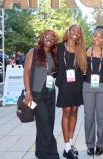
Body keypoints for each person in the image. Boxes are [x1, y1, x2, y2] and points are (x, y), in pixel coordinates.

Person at [24, 29, 60, 159]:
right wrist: (28, 93)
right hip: (36, 93)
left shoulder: (54, 53)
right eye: (47, 36)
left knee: (48, 123)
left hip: (50, 93)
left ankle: (40, 153)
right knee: (44, 123)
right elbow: (26, 73)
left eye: (53, 37)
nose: (49, 38)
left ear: (55, 41)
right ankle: (52, 155)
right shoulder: (33, 52)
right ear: (42, 37)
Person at [56, 24, 87, 159]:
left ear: (80, 35)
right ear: (68, 31)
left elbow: (83, 69)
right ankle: (66, 146)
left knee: (74, 110)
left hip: (77, 83)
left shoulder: (81, 49)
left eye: (78, 32)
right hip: (64, 84)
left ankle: (70, 143)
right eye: (73, 30)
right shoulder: (58, 47)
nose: (76, 33)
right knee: (67, 111)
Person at [83, 26, 103, 156]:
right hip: (88, 85)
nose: (98, 38)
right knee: (89, 116)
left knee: (102, 116)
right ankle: (89, 144)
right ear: (92, 37)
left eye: (101, 36)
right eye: (95, 36)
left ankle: (100, 144)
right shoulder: (86, 51)